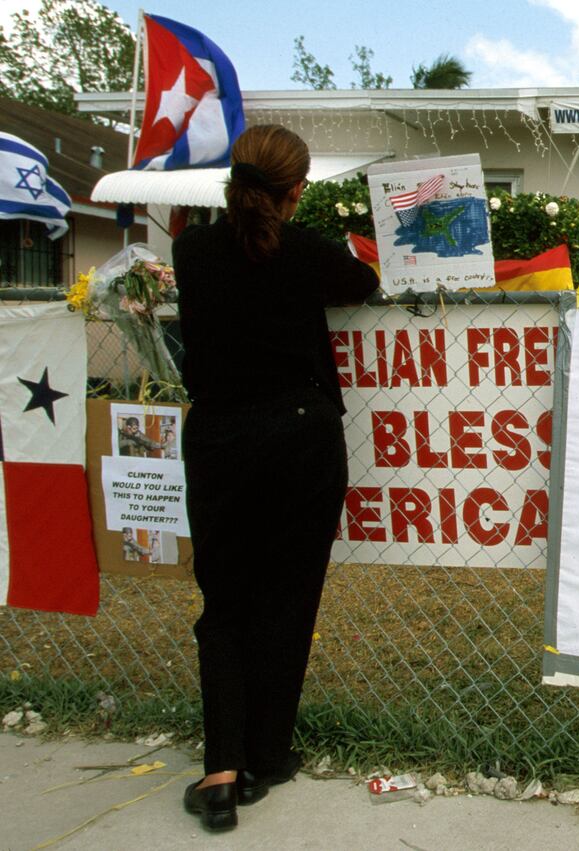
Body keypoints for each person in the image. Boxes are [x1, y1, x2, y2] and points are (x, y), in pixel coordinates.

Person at [173, 124, 379, 832]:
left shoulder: (192, 250)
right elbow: (364, 282)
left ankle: (222, 769)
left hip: (220, 439)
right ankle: (268, 753)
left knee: (224, 602)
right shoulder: (306, 253)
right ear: (296, 190)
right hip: (300, 438)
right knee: (286, 601)